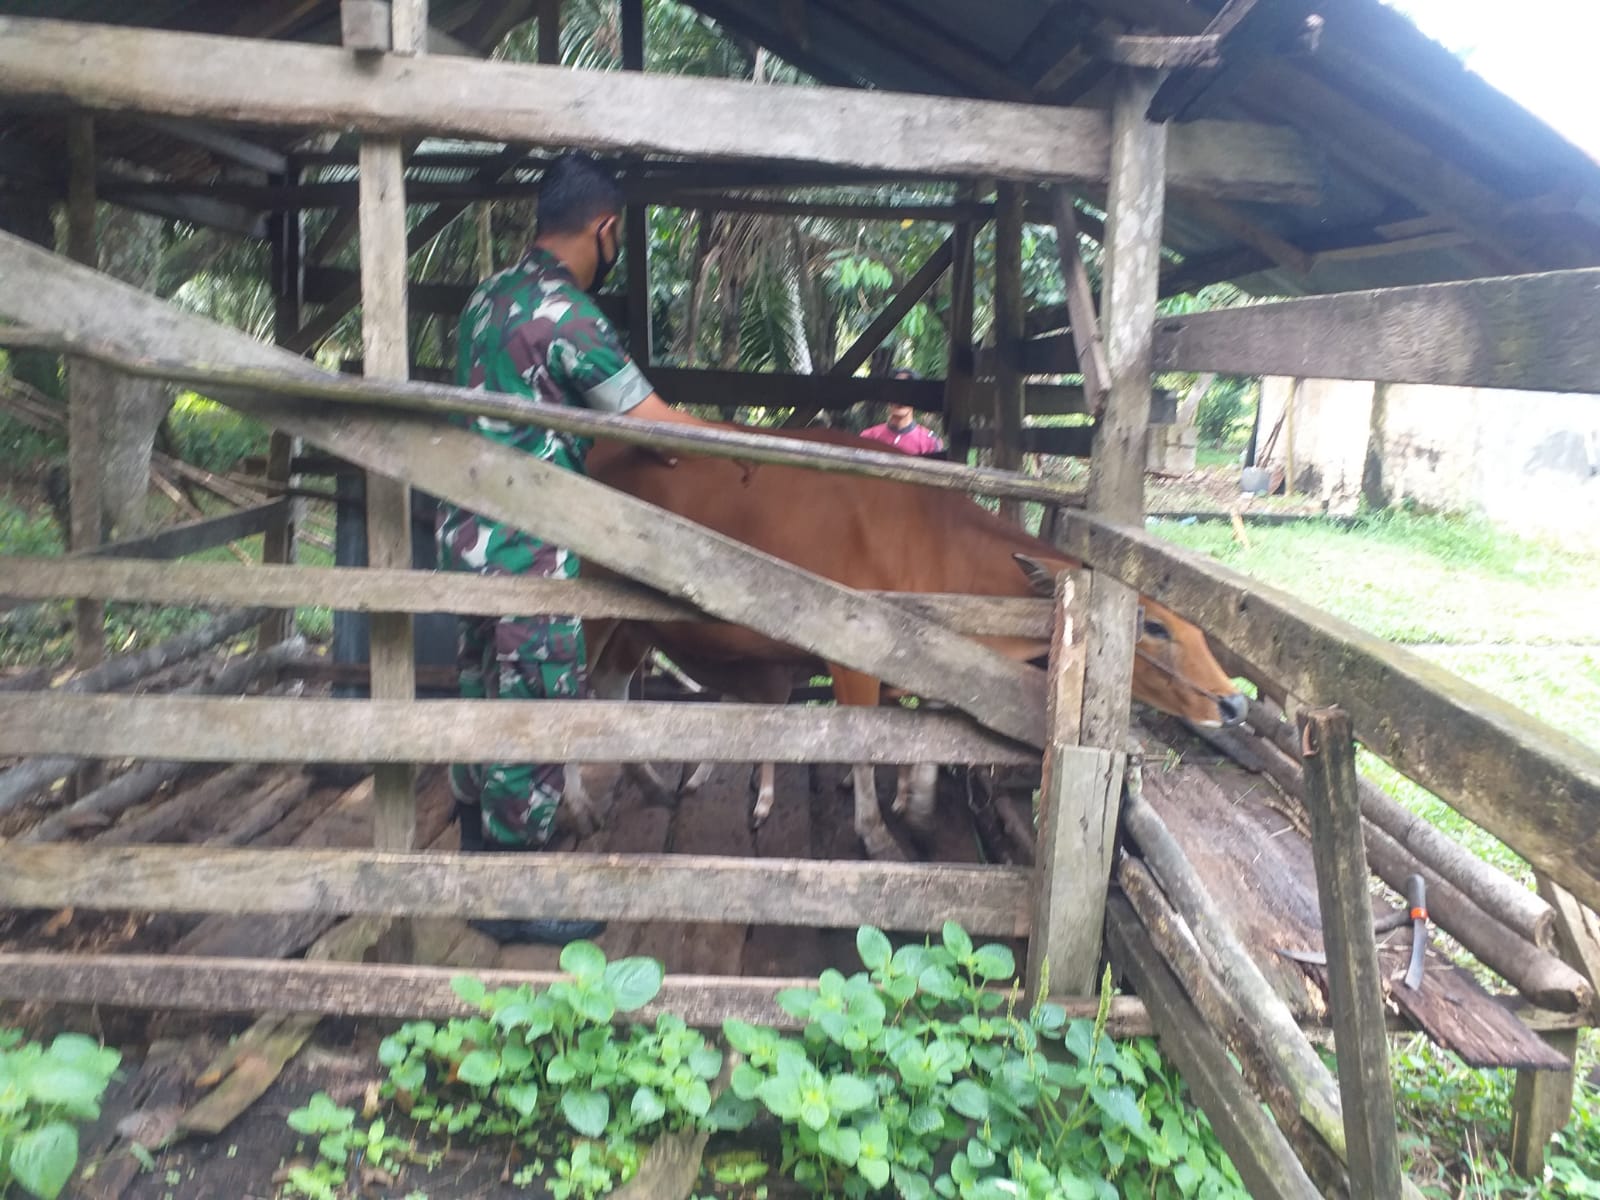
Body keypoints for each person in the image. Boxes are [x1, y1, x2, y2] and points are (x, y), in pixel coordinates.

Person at [437, 152, 716, 944]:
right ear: (603, 229)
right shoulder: (567, 312)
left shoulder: (487, 298)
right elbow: (653, 419)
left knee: (482, 694)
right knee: (535, 708)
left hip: (465, 536)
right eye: (615, 237)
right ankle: (519, 899)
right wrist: (736, 446)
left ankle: (475, 862)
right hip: (532, 548)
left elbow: (542, 405)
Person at [859, 368, 945, 456]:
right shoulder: (868, 437)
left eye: (906, 392)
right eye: (895, 391)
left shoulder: (930, 443)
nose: (900, 399)